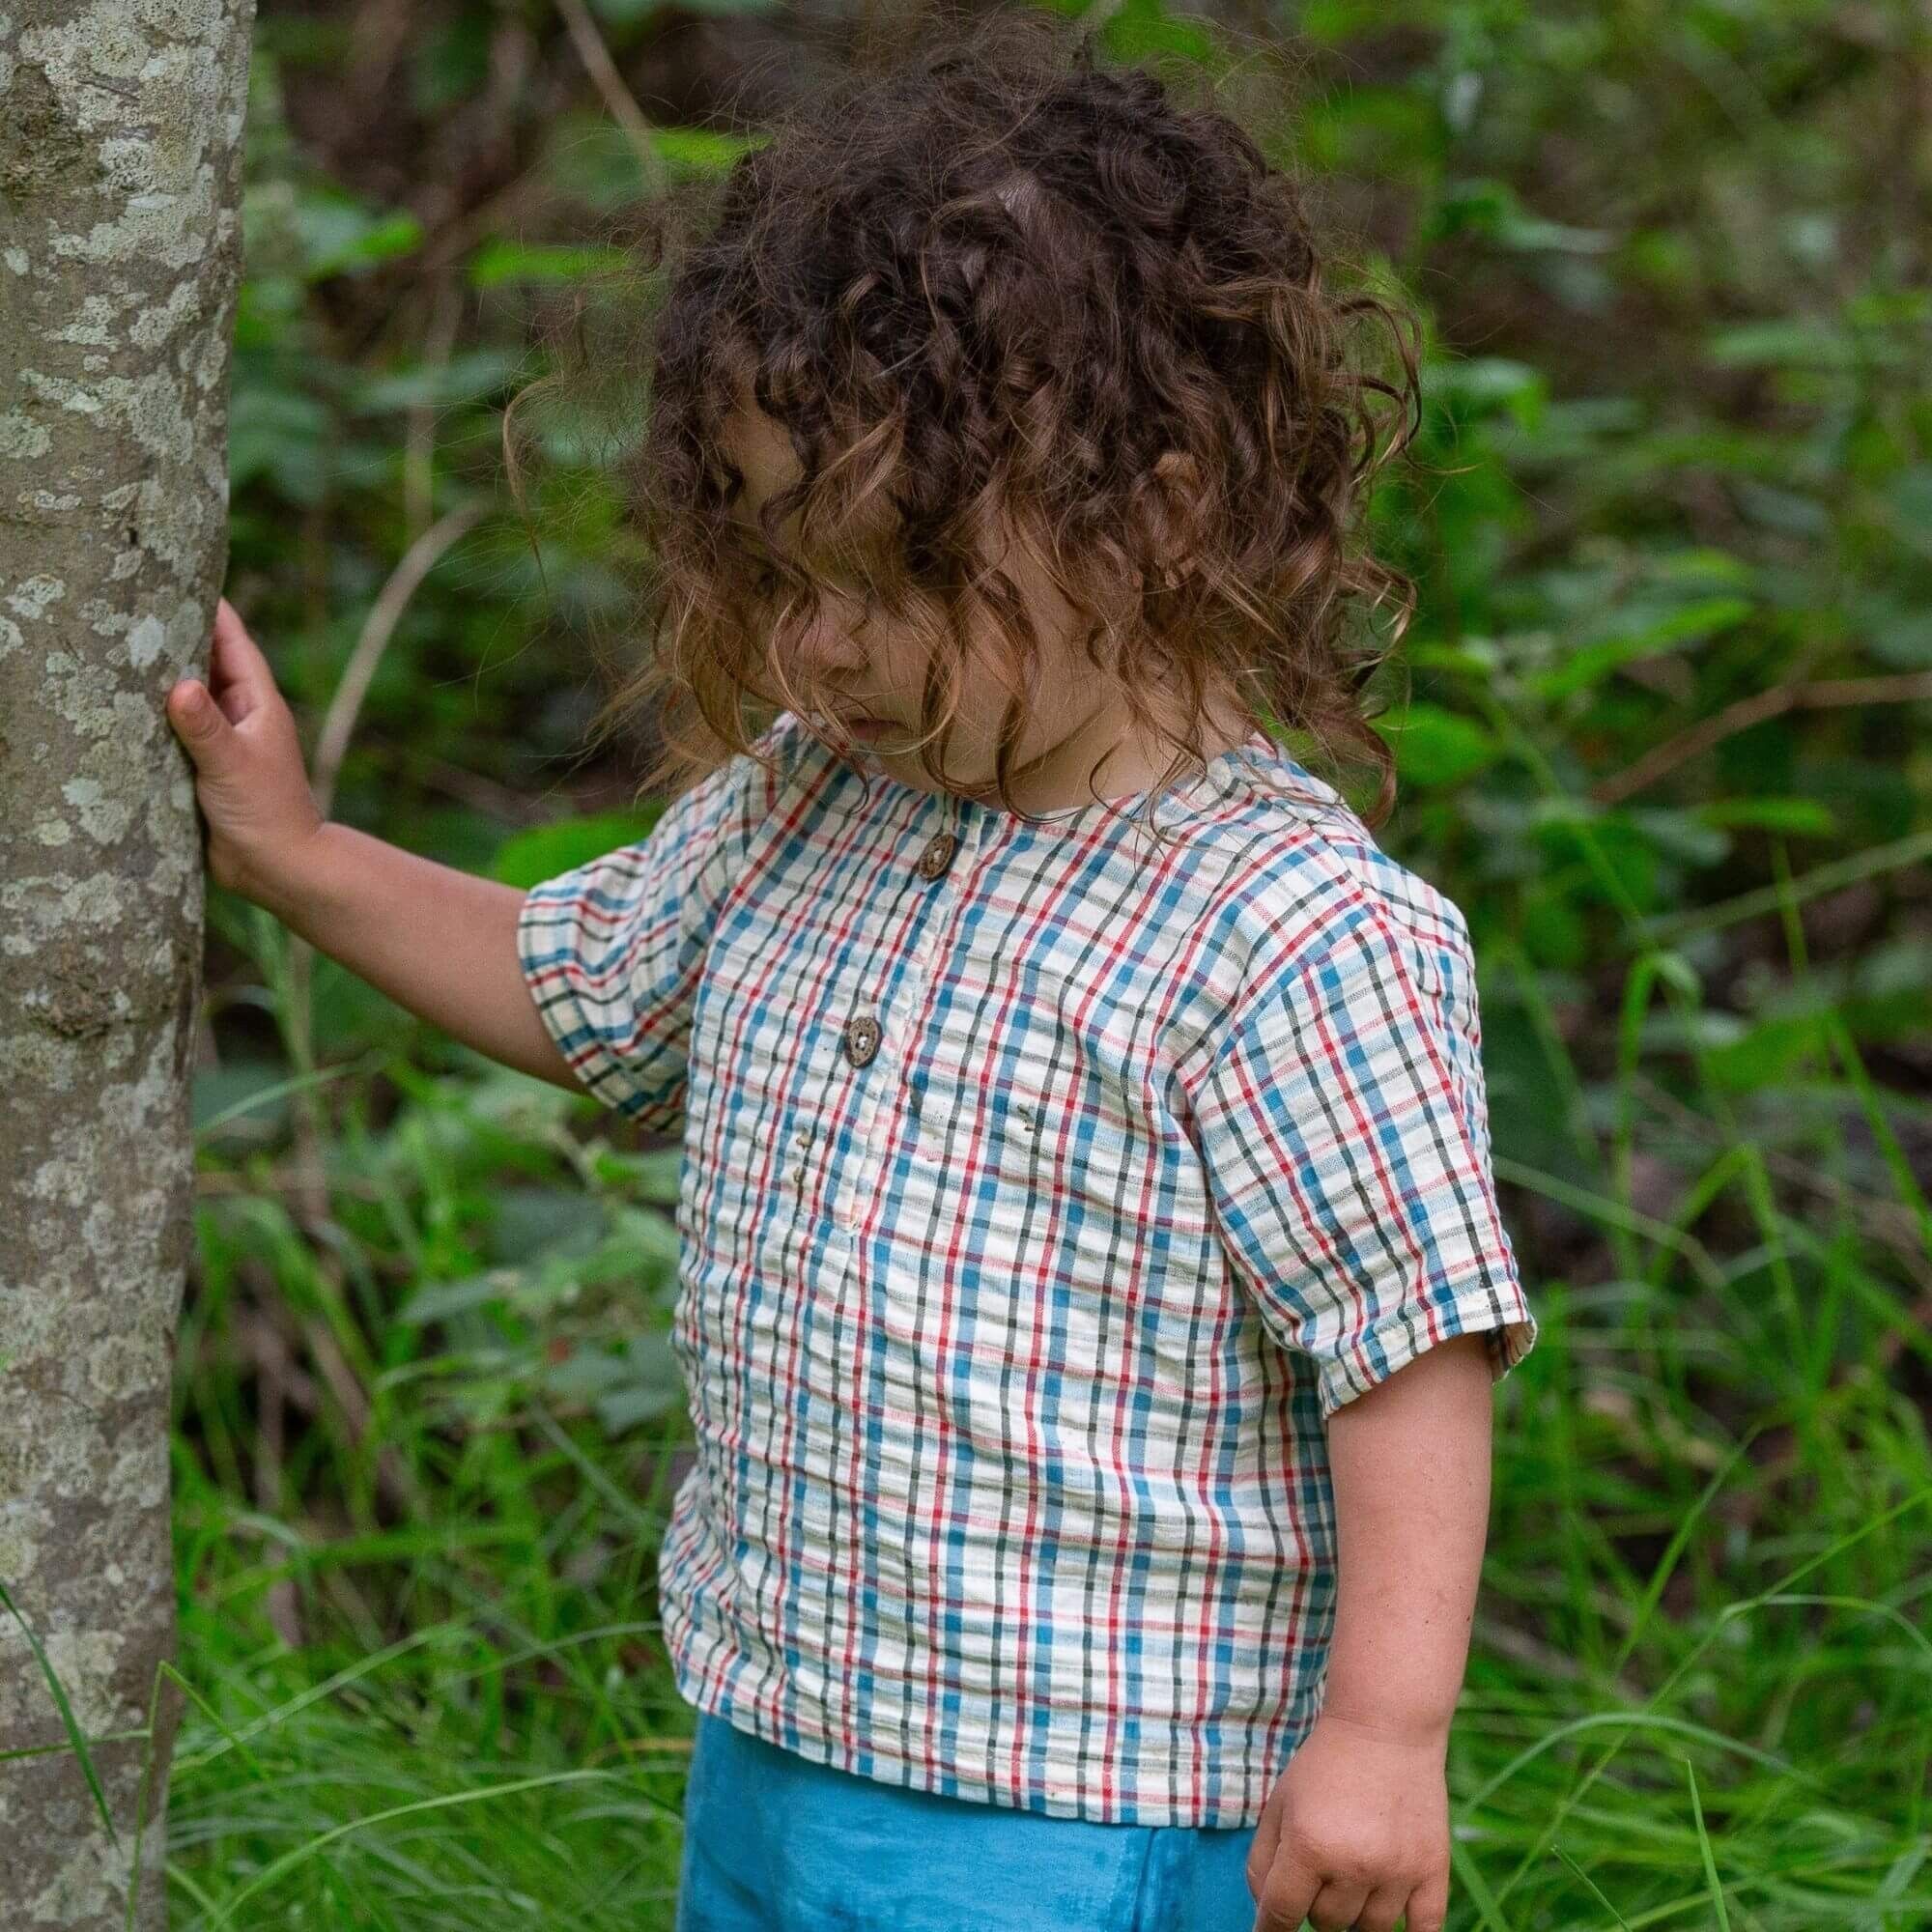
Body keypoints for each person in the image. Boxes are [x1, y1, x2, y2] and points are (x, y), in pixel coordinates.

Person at [167, 16, 1537, 1930]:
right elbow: (583, 991)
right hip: (784, 1735)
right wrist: (300, 856)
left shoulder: (1288, 928)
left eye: (880, 577)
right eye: (774, 569)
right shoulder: (809, 807)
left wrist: (1386, 1734)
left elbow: (1409, 1345)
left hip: (1090, 1809)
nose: (811, 647)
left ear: (1140, 518)